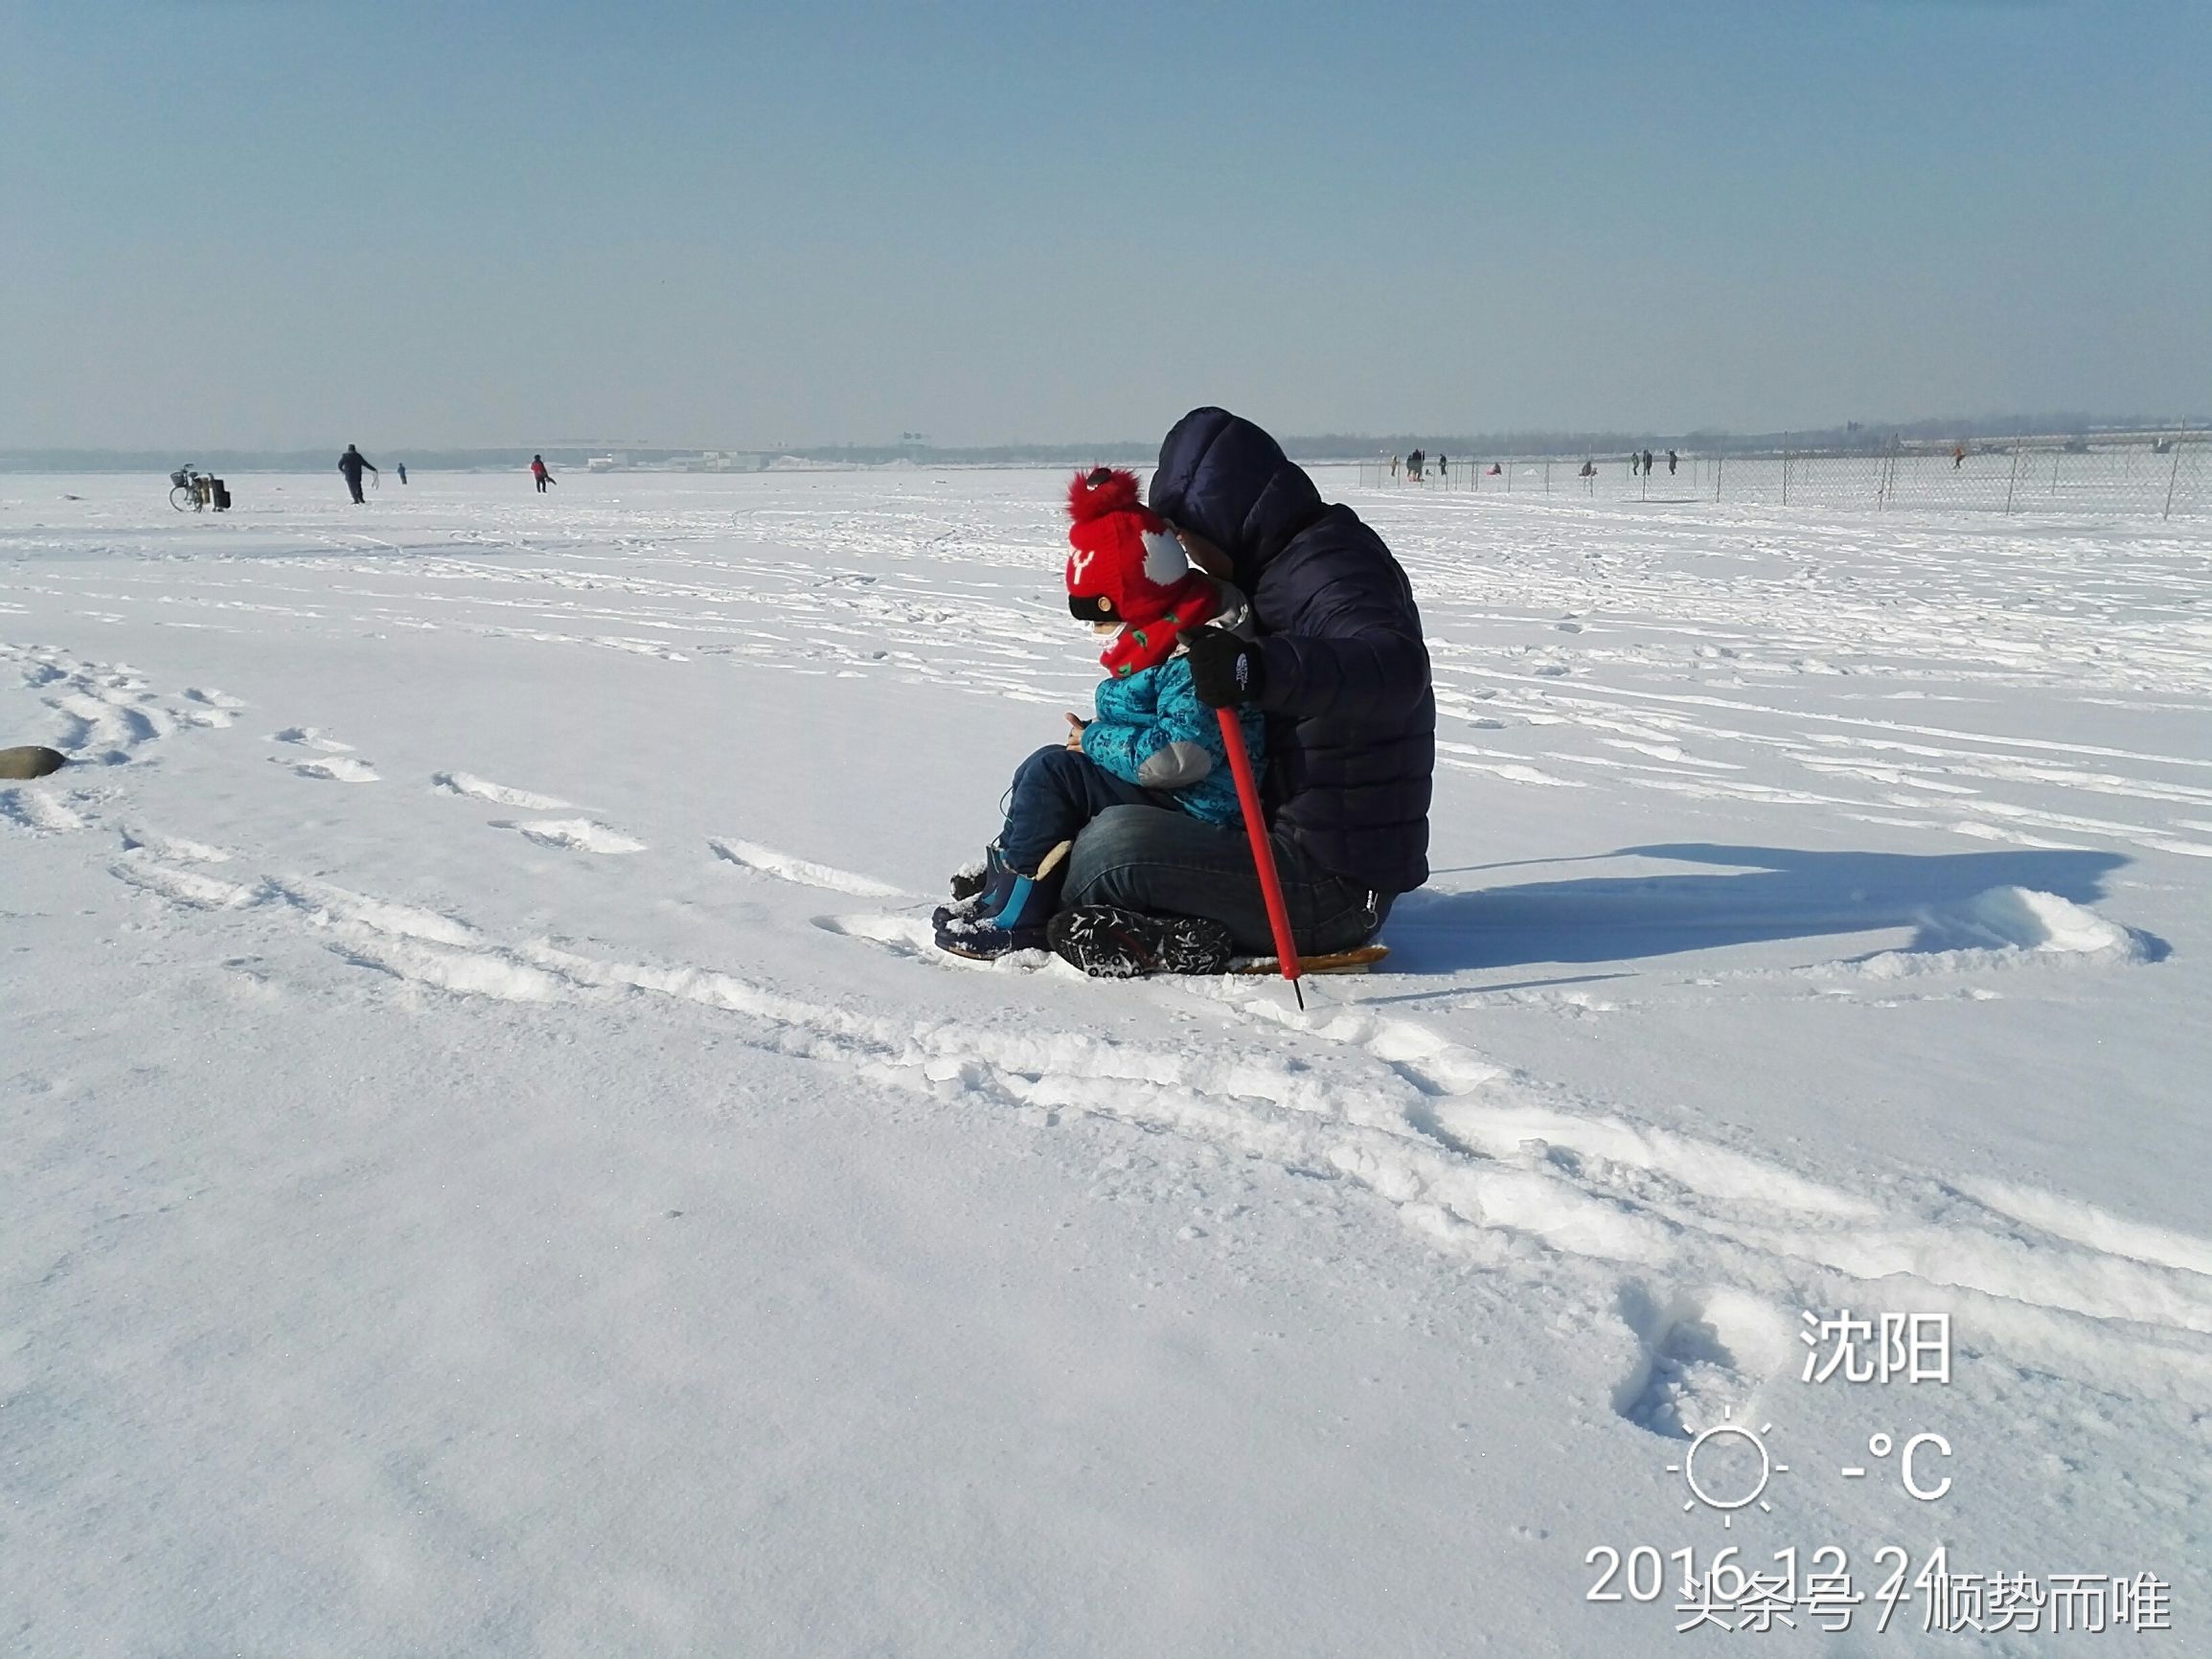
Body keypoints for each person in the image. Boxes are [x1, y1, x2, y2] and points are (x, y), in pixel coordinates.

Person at [1041, 407, 1434, 977]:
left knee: (1111, 849)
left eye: (1193, 540)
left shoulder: (1336, 570)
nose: (1193, 559)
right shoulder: (1273, 568)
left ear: (1226, 521)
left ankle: (1092, 911)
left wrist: (1256, 668)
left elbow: (1397, 669)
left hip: (1330, 883)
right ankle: (1032, 877)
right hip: (1265, 833)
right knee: (1068, 784)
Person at [933, 467, 1265, 961]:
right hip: (1178, 789)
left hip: (1201, 804)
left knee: (1053, 774)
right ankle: (1007, 876)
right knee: (1047, 767)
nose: (1110, 635)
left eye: (1113, 619)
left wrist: (1096, 742)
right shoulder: (1168, 633)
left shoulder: (1198, 652)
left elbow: (1178, 757)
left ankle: (1017, 917)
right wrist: (1094, 736)